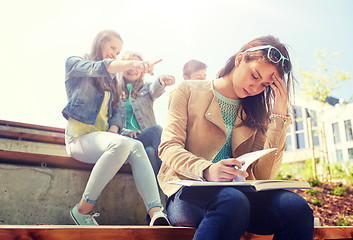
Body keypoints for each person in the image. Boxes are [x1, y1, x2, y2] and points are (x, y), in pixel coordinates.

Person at [158, 35, 314, 240]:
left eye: (265, 85)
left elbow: (264, 173)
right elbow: (168, 147)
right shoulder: (188, 90)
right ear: (240, 60)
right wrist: (207, 169)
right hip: (187, 193)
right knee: (232, 200)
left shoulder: (257, 113)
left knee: (296, 207)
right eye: (254, 76)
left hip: (242, 197)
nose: (256, 88)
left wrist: (279, 116)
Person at [62, 30, 169, 226]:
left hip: (101, 139)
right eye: (112, 48)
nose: (114, 54)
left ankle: (156, 213)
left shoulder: (110, 83)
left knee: (134, 146)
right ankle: (82, 210)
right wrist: (132, 64)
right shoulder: (75, 63)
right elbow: (98, 67)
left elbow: (117, 113)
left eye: (118, 52)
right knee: (122, 144)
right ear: (100, 43)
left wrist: (114, 130)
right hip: (78, 138)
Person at [116, 51, 175, 178]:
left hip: (146, 141)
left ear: (142, 70)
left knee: (150, 152)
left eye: (137, 66)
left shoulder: (146, 89)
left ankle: (164, 196)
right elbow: (111, 121)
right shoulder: (114, 92)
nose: (132, 69)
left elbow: (155, 89)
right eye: (129, 65)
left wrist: (160, 80)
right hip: (127, 140)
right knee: (156, 130)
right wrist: (126, 132)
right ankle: (174, 176)